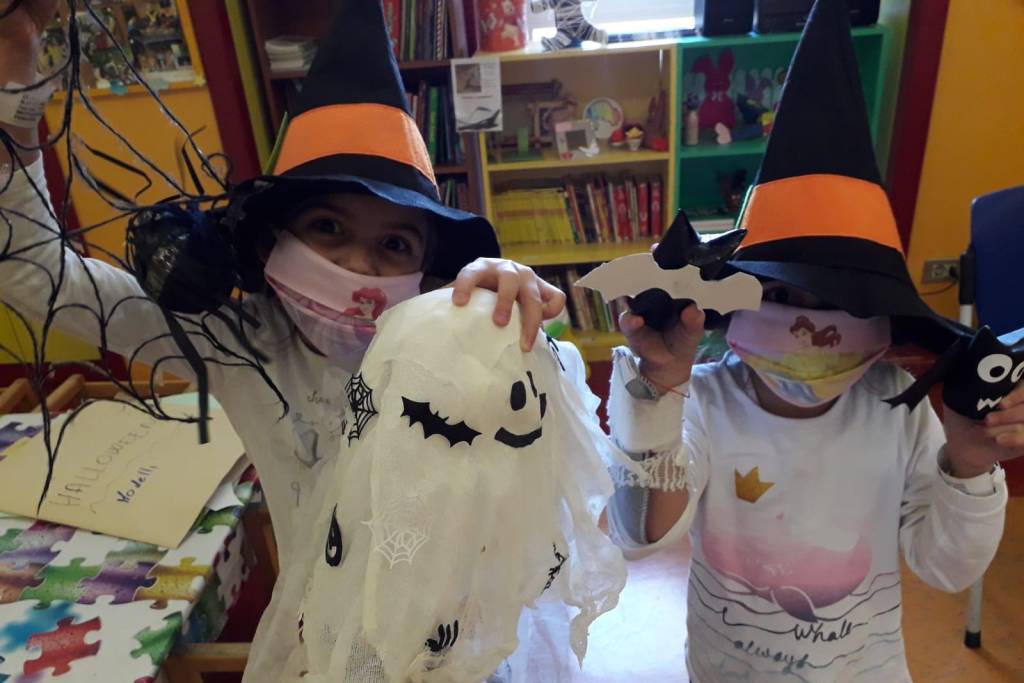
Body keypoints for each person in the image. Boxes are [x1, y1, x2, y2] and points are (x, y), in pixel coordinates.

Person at [0, 1, 564, 680]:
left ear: (426, 272)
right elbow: (41, 286)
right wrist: (16, 113)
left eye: (393, 244)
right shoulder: (241, 345)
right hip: (314, 647)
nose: (357, 265)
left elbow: (550, 465)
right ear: (273, 242)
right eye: (328, 227)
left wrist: (506, 321)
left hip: (463, 655)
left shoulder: (457, 353)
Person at [604, 1, 1019, 681]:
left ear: (883, 322)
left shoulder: (901, 411)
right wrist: (658, 396)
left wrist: (968, 465)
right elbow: (641, 534)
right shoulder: (705, 403)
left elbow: (946, 567)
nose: (811, 328)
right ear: (729, 306)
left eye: (839, 302)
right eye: (782, 295)